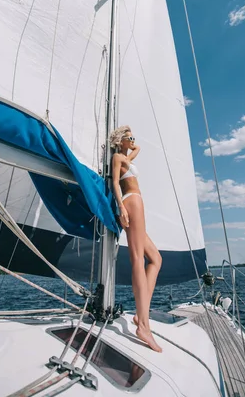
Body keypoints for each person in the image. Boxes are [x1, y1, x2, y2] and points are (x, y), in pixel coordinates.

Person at [109, 125, 163, 353]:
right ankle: (143, 325)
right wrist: (121, 207)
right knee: (138, 260)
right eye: (129, 137)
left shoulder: (125, 156)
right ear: (121, 141)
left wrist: (129, 139)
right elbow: (114, 183)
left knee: (156, 259)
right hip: (131, 202)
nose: (133, 140)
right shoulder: (117, 157)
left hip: (135, 201)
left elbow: (137, 149)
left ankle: (142, 312)